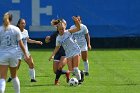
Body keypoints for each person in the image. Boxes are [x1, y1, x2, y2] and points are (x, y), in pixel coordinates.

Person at [49, 16, 84, 84]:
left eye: (63, 29)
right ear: (57, 29)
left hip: (76, 50)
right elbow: (57, 47)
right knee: (71, 71)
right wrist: (52, 55)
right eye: (60, 29)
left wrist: (76, 21)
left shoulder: (68, 32)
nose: (62, 30)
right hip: (68, 54)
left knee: (75, 68)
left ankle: (79, 82)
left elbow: (79, 28)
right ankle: (81, 73)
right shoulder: (58, 38)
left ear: (65, 27)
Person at [0, 12, 29, 93]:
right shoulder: (16, 29)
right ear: (11, 20)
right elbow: (21, 44)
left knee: (2, 77)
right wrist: (26, 54)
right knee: (14, 76)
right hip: (14, 54)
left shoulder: (0, 29)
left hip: (3, 54)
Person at [7, 18, 43, 82]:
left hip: (25, 51)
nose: (23, 24)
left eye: (24, 23)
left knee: (31, 63)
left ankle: (32, 78)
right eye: (22, 23)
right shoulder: (16, 31)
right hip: (17, 51)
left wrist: (37, 42)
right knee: (16, 67)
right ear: (18, 24)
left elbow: (28, 40)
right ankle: (11, 77)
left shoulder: (26, 31)